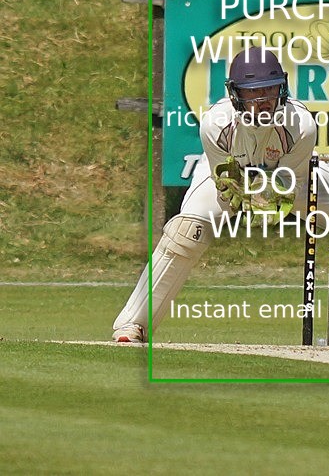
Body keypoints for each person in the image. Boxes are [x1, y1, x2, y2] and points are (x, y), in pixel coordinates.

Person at [112, 47, 316, 342]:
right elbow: (226, 180)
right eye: (252, 92)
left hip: (286, 179)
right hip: (229, 177)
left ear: (281, 87)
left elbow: (285, 185)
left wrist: (268, 200)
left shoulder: (302, 125)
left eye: (269, 89)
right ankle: (133, 324)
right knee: (185, 232)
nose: (262, 101)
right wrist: (246, 198)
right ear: (235, 94)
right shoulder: (216, 124)